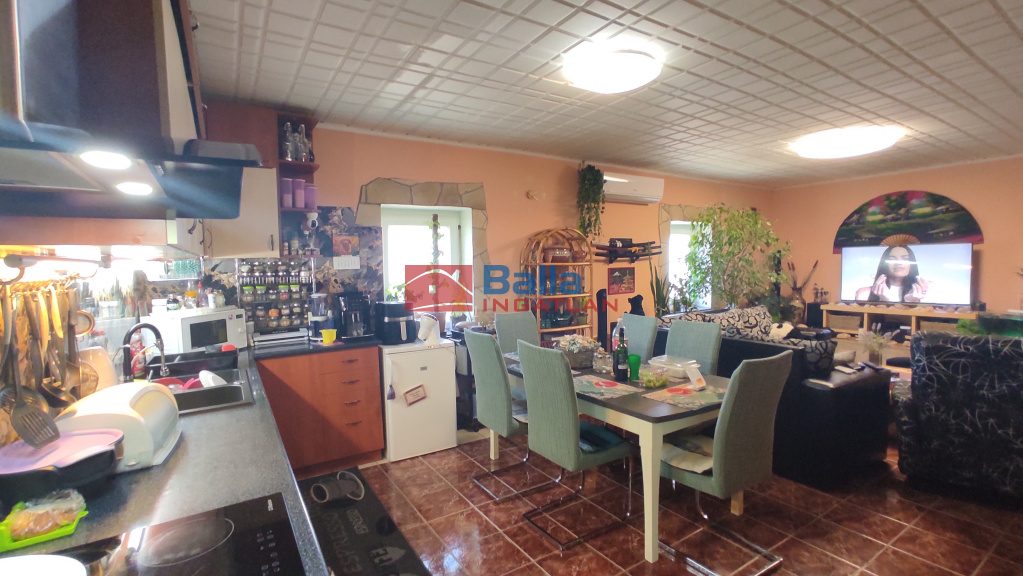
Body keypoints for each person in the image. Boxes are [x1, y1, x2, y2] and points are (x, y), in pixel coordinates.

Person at [854, 245, 929, 303]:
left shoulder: (923, 294)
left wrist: (911, 303)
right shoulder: (864, 293)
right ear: (884, 264)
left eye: (905, 259)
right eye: (892, 259)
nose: (899, 263)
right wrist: (884, 300)